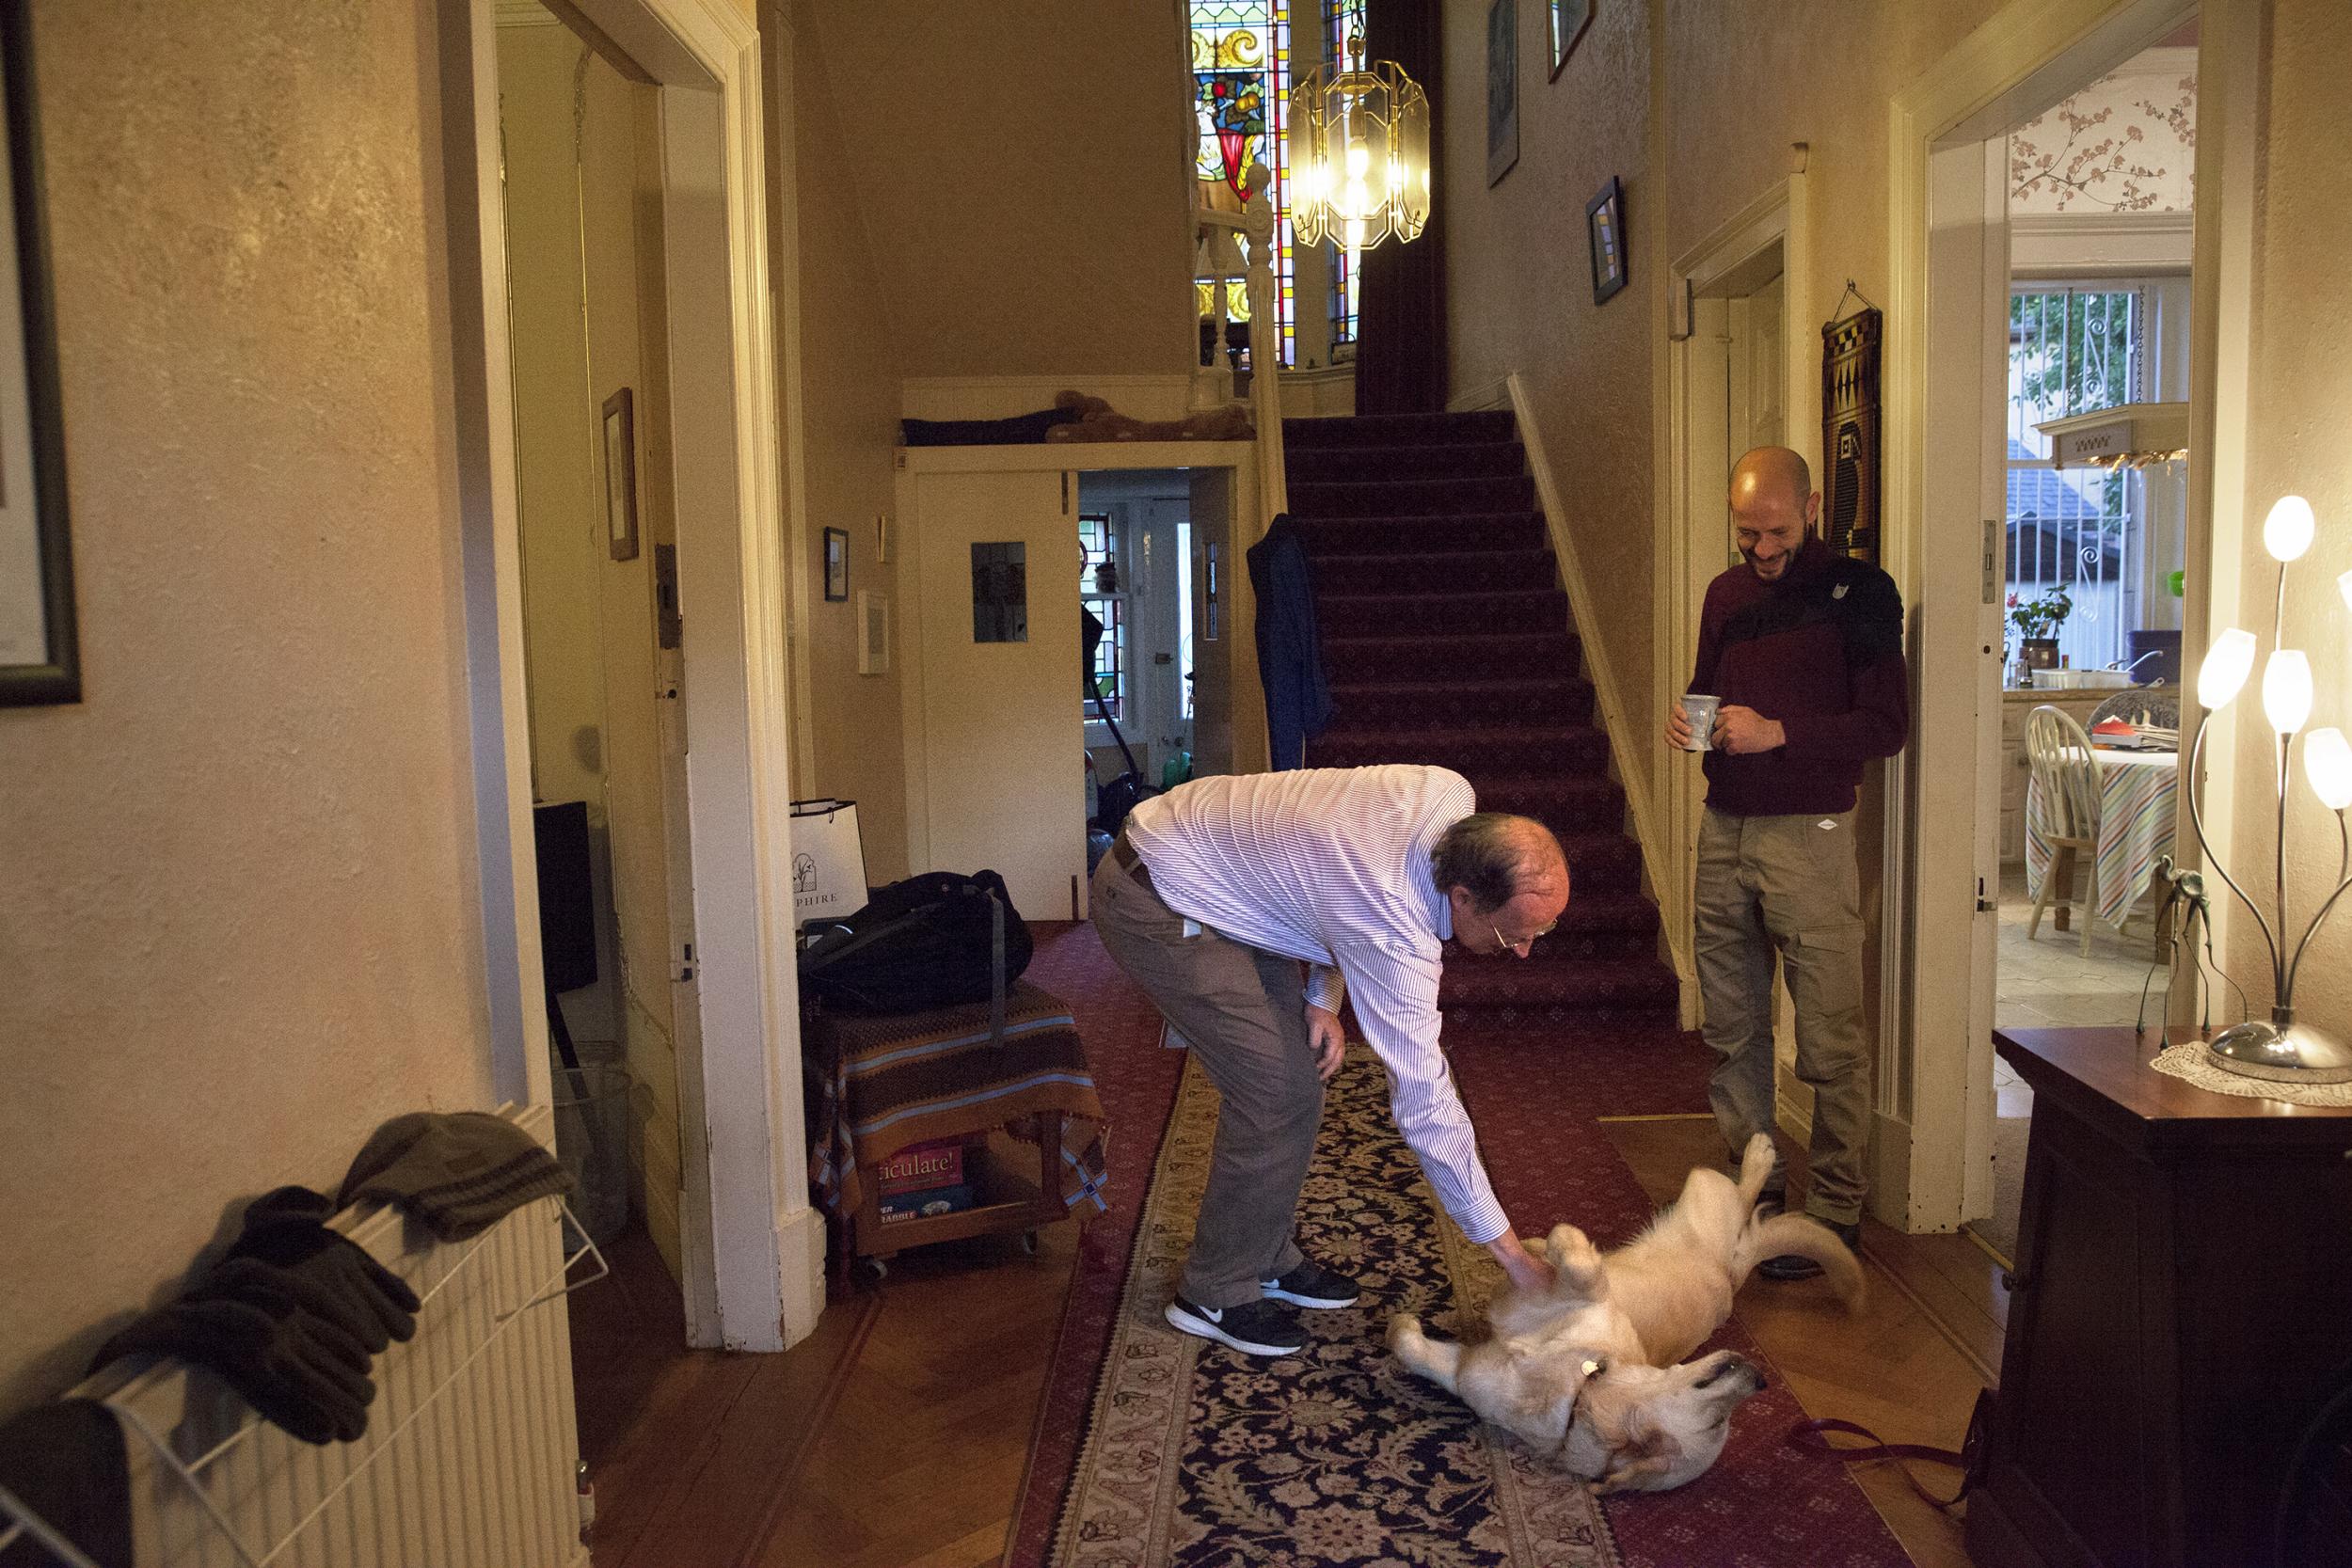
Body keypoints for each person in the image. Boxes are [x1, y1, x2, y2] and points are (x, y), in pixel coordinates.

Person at [1090, 764, 1565, 1356]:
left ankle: (1264, 1254)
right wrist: (1512, 1256)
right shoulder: (1394, 930)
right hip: (1157, 895)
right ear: (1463, 897)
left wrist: (1321, 1000)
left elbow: (1327, 868)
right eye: (1512, 935)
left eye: (1539, 935)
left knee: (1297, 1082)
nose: (1522, 952)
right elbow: (1426, 1104)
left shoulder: (1450, 793)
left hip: (1227, 872)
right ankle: (1211, 1291)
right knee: (1276, 1091)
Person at [1663, 446, 1909, 1279]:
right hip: (1724, 826)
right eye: (1746, 535)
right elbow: (1706, 689)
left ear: (1810, 507)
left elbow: (1886, 725)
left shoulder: (1862, 594)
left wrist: (1780, 732)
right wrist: (1692, 725)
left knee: (1829, 1032)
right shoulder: (1725, 595)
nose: (1761, 552)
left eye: (1775, 532)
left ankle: (1836, 1211)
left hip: (1811, 833)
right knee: (1733, 1027)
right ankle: (1756, 1190)